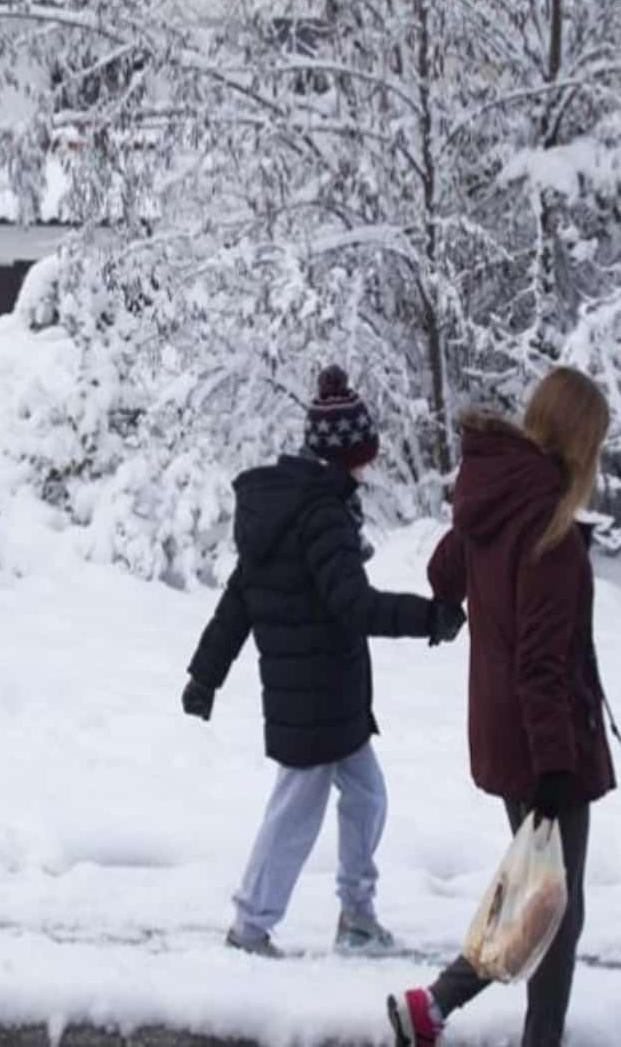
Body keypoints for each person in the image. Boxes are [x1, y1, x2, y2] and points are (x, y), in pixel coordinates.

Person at [184, 365, 467, 958]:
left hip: (327, 697)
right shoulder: (319, 516)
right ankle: (250, 928)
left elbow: (238, 601)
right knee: (296, 813)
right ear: (349, 457)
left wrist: (204, 676)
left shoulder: (289, 512)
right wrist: (429, 619)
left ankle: (357, 917)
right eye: (365, 458)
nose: (369, 468)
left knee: (367, 797)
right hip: (315, 700)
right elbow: (353, 605)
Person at [388, 366, 619, 1047]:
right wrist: (554, 767)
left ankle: (432, 1009)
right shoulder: (544, 524)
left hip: (503, 731)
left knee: (538, 895)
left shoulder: (499, 499)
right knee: (552, 907)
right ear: (581, 439)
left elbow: (442, 577)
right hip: (542, 743)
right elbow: (541, 664)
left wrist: (478, 543)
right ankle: (455, 1012)